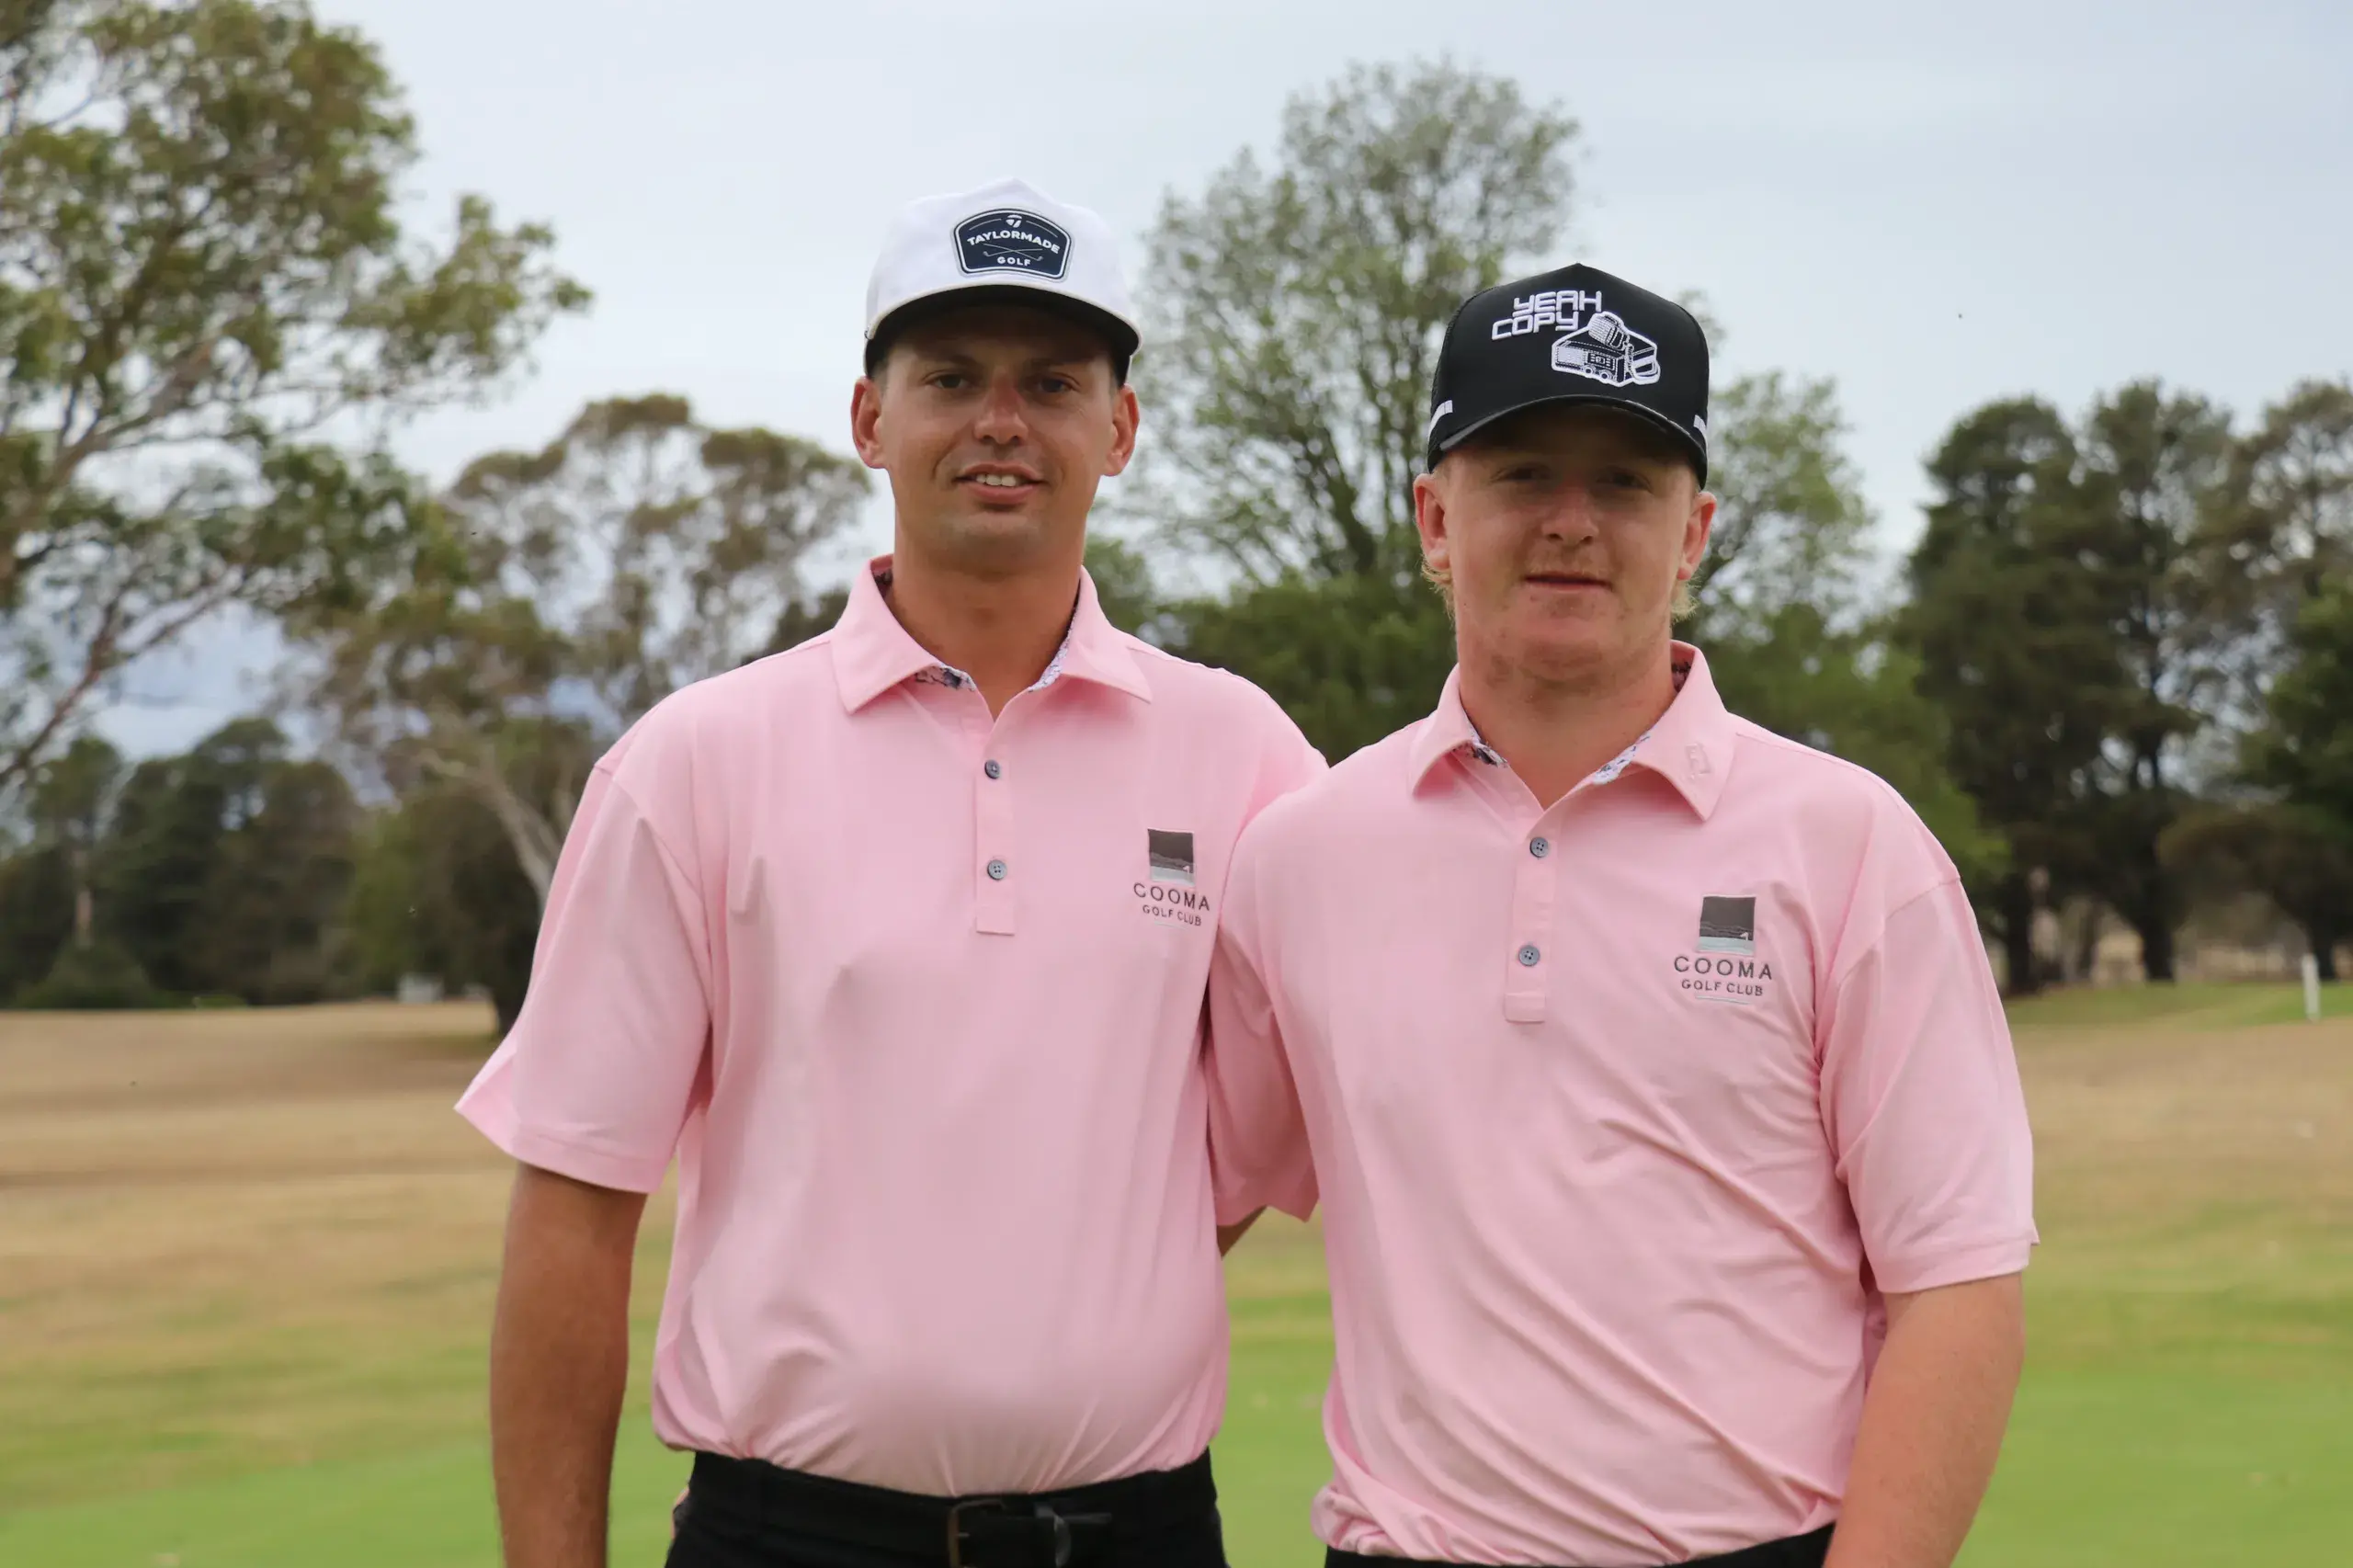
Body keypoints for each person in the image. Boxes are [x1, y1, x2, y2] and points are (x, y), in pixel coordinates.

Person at [458, 176, 1322, 1568]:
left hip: (1139, 1533)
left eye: (1052, 381)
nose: (1002, 421)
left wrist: (1076, 1298)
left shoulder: (1245, 757)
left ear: (1122, 427)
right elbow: (573, 1204)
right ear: (872, 418)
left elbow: (1260, 1146)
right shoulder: (696, 759)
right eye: (952, 376)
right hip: (785, 1534)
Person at [1204, 264, 2036, 1568]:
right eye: (1524, 473)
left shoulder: (1848, 842)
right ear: (1435, 516)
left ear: (1694, 530)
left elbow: (1960, 1282)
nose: (1572, 522)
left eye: (1628, 484)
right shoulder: (1302, 855)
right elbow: (1190, 1197)